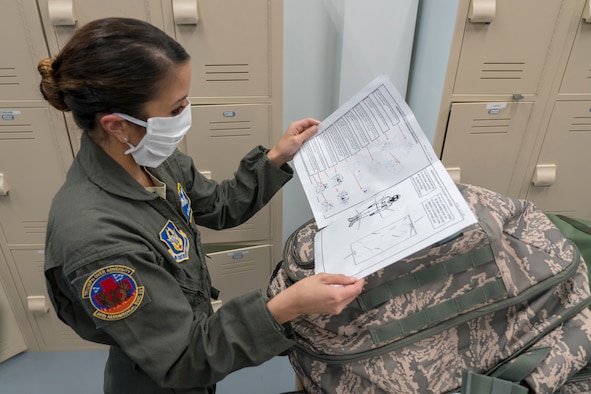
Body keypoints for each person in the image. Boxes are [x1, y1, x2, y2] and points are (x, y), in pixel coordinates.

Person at [38, 17, 365, 394]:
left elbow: (219, 206)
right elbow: (182, 360)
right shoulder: (98, 244)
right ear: (117, 125)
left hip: (184, 344)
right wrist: (285, 307)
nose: (187, 114)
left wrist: (276, 157)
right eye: (176, 108)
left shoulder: (147, 157)